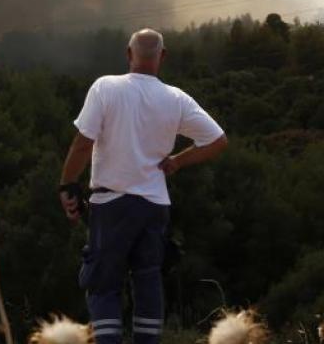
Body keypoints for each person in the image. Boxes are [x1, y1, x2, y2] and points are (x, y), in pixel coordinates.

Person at [58, 28, 228, 344]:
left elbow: (83, 144)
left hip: (112, 204)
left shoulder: (105, 87)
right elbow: (218, 141)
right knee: (148, 279)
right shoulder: (177, 99)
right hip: (155, 206)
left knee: (103, 283)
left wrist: (68, 184)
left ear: (128, 54)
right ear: (162, 57)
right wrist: (177, 161)